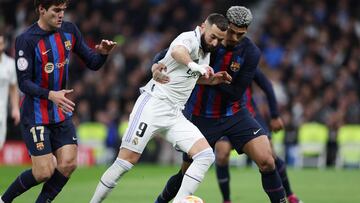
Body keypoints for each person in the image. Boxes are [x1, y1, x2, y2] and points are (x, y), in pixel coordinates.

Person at [89, 13, 230, 203]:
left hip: (174, 114)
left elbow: (190, 77)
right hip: (153, 105)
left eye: (219, 40)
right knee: (126, 161)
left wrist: (213, 80)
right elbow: (177, 52)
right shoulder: (188, 38)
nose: (215, 43)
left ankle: (180, 201)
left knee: (205, 155)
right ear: (203, 27)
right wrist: (195, 66)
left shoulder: (206, 52)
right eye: (213, 37)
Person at [153, 6, 287, 203]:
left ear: (247, 31)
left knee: (267, 161)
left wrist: (204, 78)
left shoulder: (250, 52)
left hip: (234, 114)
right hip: (201, 117)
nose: (233, 37)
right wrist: (157, 66)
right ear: (225, 25)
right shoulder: (206, 42)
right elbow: (168, 54)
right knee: (185, 175)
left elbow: (236, 92)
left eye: (239, 34)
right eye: (231, 32)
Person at [0, 0, 116, 202]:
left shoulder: (69, 31)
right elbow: (23, 83)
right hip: (36, 114)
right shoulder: (26, 39)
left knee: (69, 163)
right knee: (43, 172)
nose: (61, 14)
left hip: (60, 112)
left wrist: (103, 54)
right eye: (56, 10)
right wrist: (50, 94)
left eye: (63, 10)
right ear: (42, 10)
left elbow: (93, 63)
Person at [213, 68, 303, 203]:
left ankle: (290, 195)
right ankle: (226, 200)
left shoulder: (244, 57)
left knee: (270, 156)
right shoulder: (214, 59)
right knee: (221, 154)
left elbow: (266, 85)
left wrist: (274, 115)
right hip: (224, 116)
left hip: (249, 115)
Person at [0, 33, 20, 149]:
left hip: (2, 111)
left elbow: (13, 87)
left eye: (1, 43)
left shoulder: (10, 64)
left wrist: (15, 108)